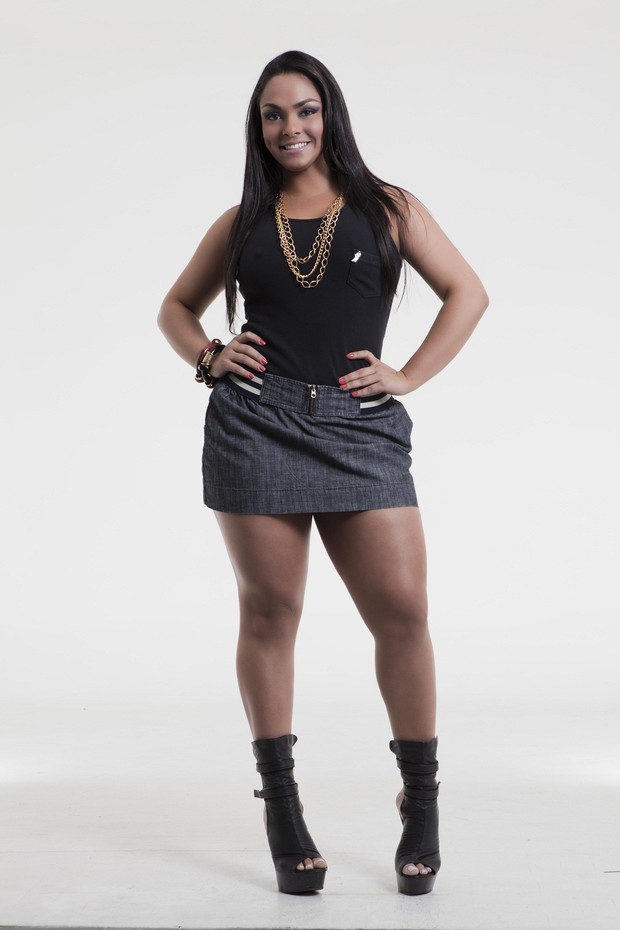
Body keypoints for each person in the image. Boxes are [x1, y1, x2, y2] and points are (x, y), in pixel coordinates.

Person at [158, 50, 488, 896]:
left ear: (329, 114)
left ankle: (421, 800)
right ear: (258, 127)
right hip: (255, 424)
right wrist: (208, 356)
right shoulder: (241, 223)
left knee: (403, 611)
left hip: (361, 426)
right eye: (273, 114)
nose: (290, 127)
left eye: (304, 110)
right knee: (271, 612)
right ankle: (282, 806)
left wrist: (407, 375)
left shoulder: (388, 208)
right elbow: (175, 307)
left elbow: (468, 292)